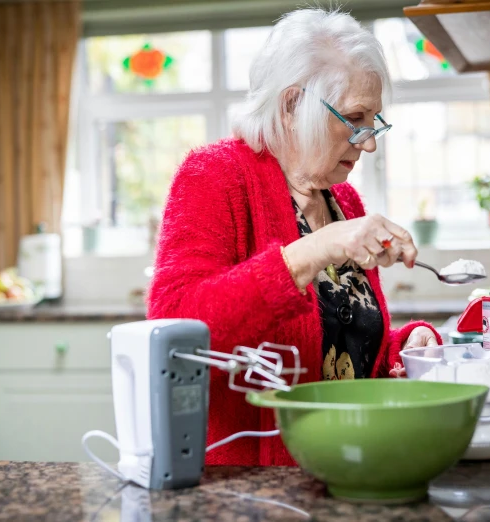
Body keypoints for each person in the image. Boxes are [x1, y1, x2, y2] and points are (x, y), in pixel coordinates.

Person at [147, 7, 441, 466]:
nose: (369, 142)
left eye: (375, 120)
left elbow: (342, 354)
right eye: (354, 118)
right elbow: (174, 326)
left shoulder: (344, 200)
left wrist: (405, 348)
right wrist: (315, 249)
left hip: (350, 466)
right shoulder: (214, 177)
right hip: (250, 488)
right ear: (291, 106)